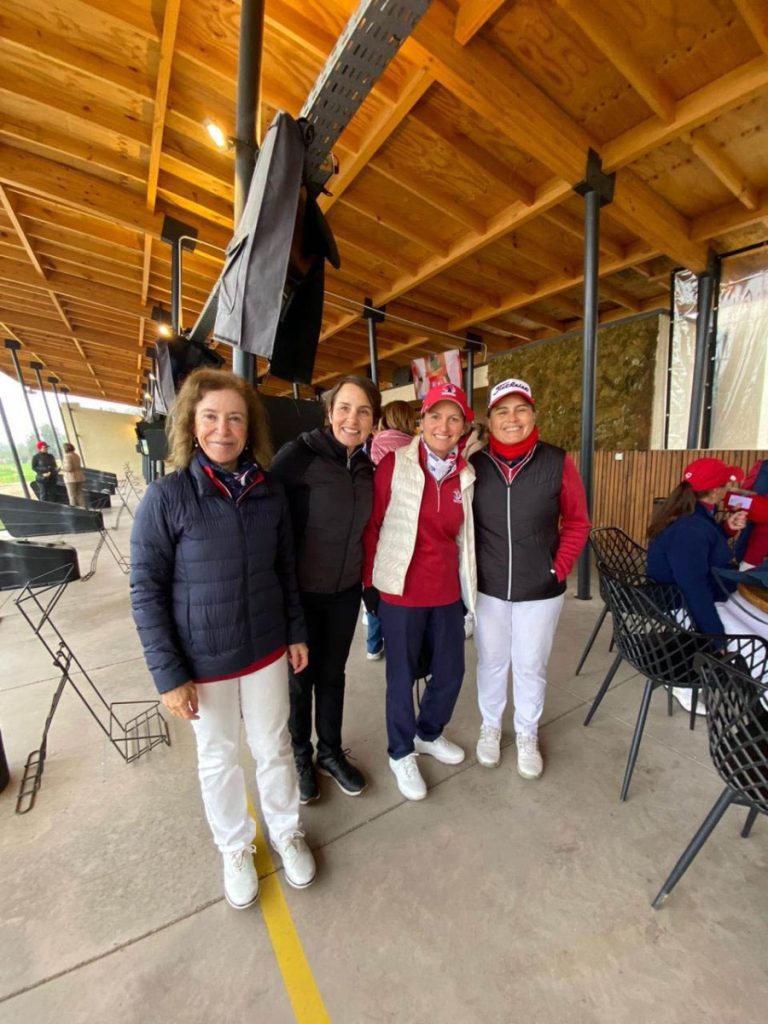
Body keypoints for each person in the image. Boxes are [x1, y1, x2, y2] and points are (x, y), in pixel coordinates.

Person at [129, 368, 315, 908]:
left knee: (273, 747)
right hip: (203, 659)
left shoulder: (268, 490)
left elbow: (285, 569)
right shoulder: (167, 497)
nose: (223, 429)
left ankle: (286, 831)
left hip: (266, 650)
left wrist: (295, 631)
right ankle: (235, 847)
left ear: (249, 427)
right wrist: (169, 675)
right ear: (191, 423)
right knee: (218, 757)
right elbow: (146, 590)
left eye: (235, 418)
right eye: (210, 417)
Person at [362, 382, 476, 801]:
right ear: (421, 420)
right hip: (400, 591)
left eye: (453, 418)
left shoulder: (466, 473)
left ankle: (427, 733)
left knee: (450, 672)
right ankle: (400, 751)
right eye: (435, 416)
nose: (443, 426)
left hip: (446, 591)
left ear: (464, 427)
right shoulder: (394, 464)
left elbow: (465, 538)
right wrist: (369, 584)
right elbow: (372, 526)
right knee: (401, 677)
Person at [470, 379, 590, 778]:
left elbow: (578, 522)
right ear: (490, 420)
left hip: (541, 589)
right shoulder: (475, 465)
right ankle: (490, 727)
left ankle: (526, 732)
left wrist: (558, 567)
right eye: (502, 411)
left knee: (530, 665)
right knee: (491, 662)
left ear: (534, 415)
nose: (512, 418)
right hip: (489, 588)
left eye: (521, 409)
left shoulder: (557, 461)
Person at [270, 375, 381, 804]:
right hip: (301, 594)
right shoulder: (298, 457)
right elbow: (270, 526)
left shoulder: (366, 468)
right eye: (345, 408)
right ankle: (300, 756)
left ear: (374, 420)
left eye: (364, 411)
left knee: (333, 677)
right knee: (300, 682)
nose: (353, 418)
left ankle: (329, 753)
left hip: (344, 593)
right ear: (330, 412)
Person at [647, 457, 748, 713]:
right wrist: (716, 637)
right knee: (749, 632)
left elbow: (704, 550)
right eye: (725, 484)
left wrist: (726, 529)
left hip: (687, 593)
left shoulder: (694, 513)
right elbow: (694, 587)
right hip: (679, 602)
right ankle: (683, 683)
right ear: (714, 491)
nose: (728, 488)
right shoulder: (689, 528)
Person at [365, 400, 419, 660]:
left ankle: (373, 644)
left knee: (376, 583)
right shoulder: (417, 448)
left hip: (378, 525)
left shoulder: (375, 445)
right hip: (407, 527)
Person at [61, 442, 86, 508]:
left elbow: (69, 468)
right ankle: (83, 508)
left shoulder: (67, 456)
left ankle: (73, 510)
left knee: (72, 495)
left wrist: (61, 468)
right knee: (80, 494)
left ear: (65, 449)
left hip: (70, 478)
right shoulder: (76, 455)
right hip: (80, 476)